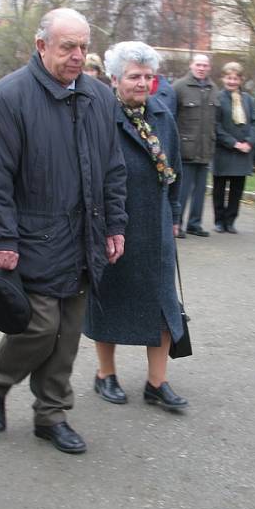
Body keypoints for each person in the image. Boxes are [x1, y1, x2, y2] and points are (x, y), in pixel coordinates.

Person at [0, 8, 128, 454]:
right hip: (33, 236)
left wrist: (115, 224)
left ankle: (51, 414)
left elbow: (113, 169)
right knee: (40, 326)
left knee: (68, 333)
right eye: (67, 47)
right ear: (41, 47)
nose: (78, 55)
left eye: (83, 46)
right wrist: (2, 238)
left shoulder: (100, 97)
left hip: (85, 235)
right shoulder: (9, 97)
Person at [84, 40, 189, 411]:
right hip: (114, 227)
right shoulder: (100, 117)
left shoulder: (162, 115)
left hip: (156, 228)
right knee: (108, 302)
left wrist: (174, 217)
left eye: (148, 76)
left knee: (163, 305)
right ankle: (105, 374)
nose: (142, 83)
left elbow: (175, 172)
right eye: (133, 76)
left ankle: (156, 383)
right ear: (115, 79)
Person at [173, 53, 218, 238]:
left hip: (205, 148)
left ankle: (195, 224)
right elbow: (171, 117)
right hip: (185, 149)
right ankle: (177, 224)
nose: (201, 68)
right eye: (198, 64)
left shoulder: (214, 88)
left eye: (205, 65)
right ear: (191, 65)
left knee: (200, 191)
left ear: (209, 68)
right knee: (182, 191)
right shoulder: (179, 87)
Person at [213, 61, 255, 234]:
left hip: (244, 152)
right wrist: (234, 143)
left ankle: (231, 221)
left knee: (236, 189)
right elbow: (216, 126)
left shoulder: (248, 99)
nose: (232, 81)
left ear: (241, 80)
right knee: (219, 189)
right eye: (228, 78)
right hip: (224, 151)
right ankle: (219, 221)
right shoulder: (217, 98)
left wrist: (249, 142)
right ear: (223, 78)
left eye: (235, 78)